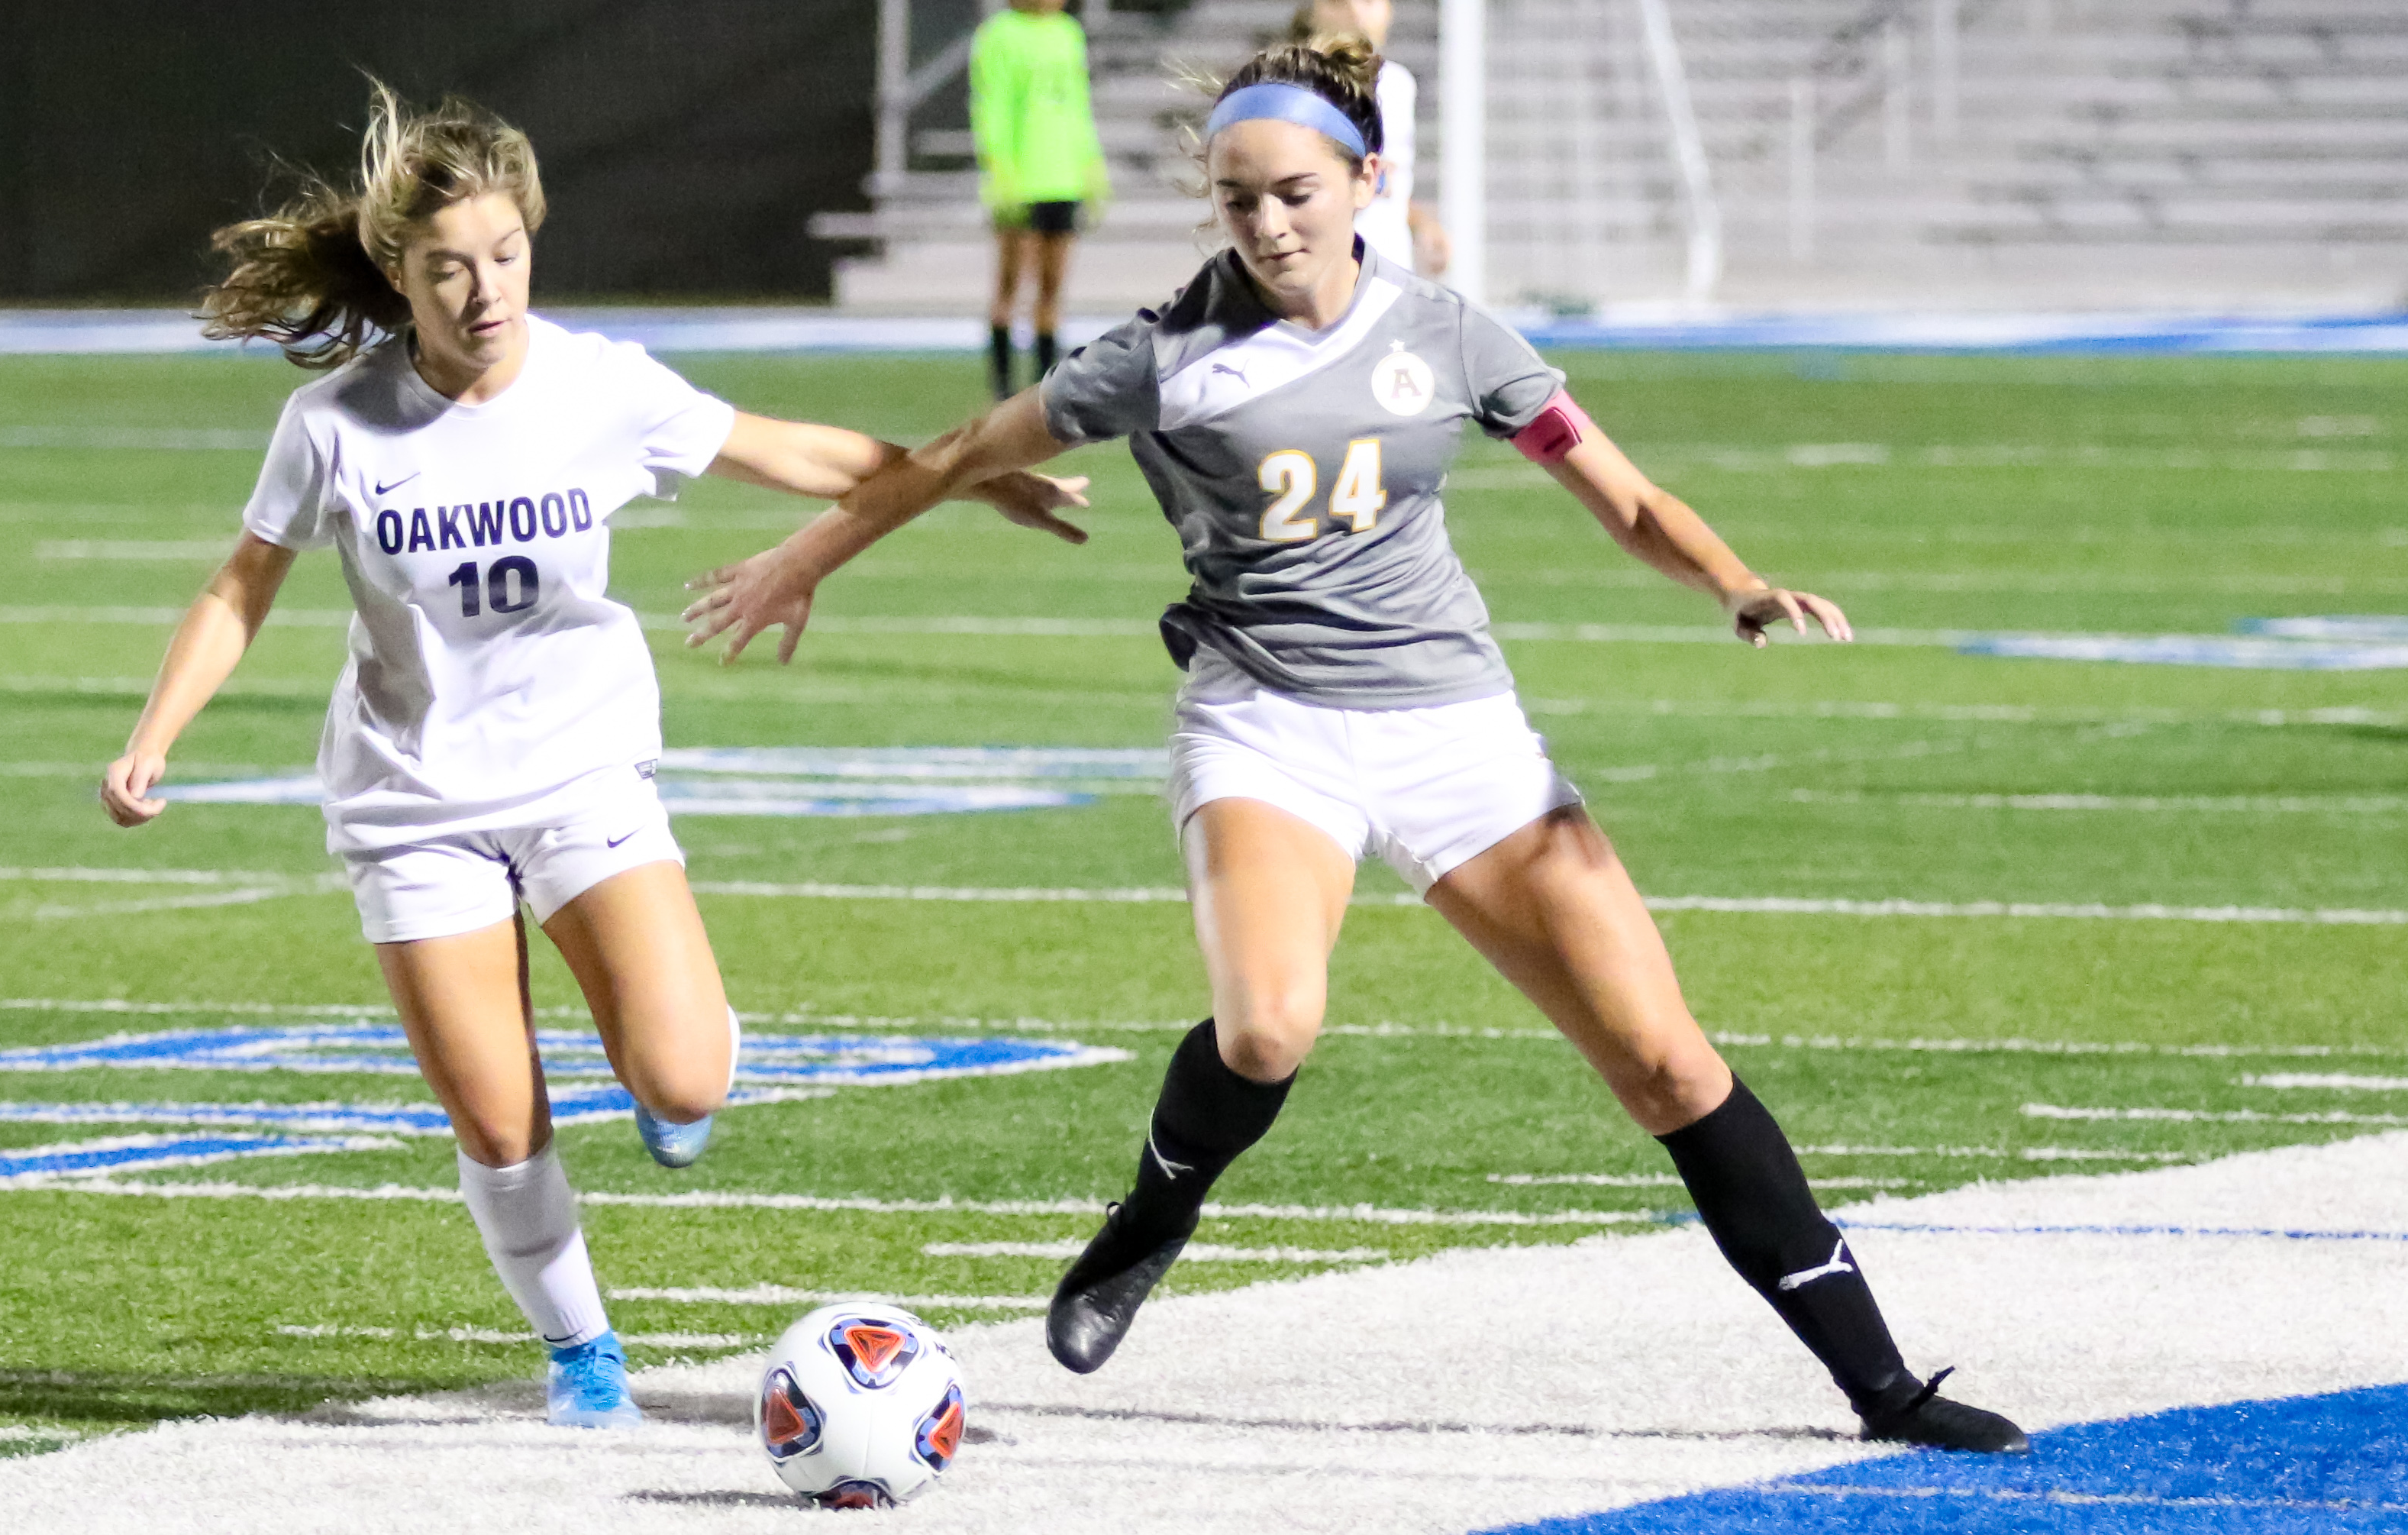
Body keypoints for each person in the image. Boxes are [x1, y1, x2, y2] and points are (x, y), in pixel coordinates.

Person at [682, 37, 2028, 1453]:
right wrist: (808, 557)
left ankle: (1885, 1391)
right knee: (1267, 1025)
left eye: (1294, 192)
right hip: (1265, 723)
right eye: (1235, 196)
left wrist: (1732, 580)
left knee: (1666, 1068)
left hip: (1457, 730)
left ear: (1365, 179)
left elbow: (1617, 492)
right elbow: (952, 447)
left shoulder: (1446, 333)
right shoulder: (1161, 353)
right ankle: (1154, 1212)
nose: (1265, 223)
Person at [99, 84, 1085, 1430]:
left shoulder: (601, 387)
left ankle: (683, 1069)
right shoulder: (335, 425)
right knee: (500, 1126)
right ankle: (582, 1352)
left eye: (505, 257)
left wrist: (960, 470)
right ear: (400, 273)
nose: (484, 290)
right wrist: (154, 738)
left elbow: (787, 450)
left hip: (577, 776)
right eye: (448, 268)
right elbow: (240, 586)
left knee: (682, 1083)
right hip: (413, 804)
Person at [972, 0, 1110, 399]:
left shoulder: (1069, 33)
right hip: (1022, 181)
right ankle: (1002, 389)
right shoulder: (998, 34)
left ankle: (1043, 386)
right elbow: (990, 105)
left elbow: (1078, 107)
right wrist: (999, 169)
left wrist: (1091, 166)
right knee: (1011, 285)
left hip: (1063, 179)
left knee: (1052, 288)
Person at [1293, 0, 1448, 276]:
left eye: (1368, 2)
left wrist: (1420, 223)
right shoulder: (1298, 83)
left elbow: (1386, 180)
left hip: (1390, 264)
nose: (1355, 12)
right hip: (1326, 268)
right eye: (1338, 2)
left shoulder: (1399, 83)